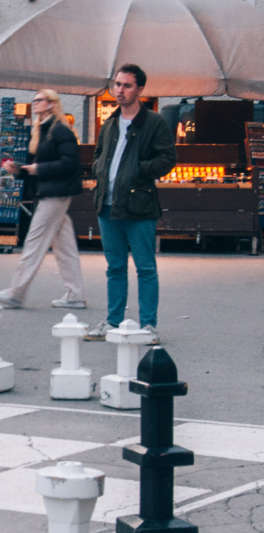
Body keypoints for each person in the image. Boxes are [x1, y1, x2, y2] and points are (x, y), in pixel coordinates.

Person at [84, 64, 176, 345]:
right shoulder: (110, 123)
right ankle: (113, 321)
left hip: (139, 205)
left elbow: (168, 159)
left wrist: (138, 169)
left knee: (145, 268)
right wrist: (99, 170)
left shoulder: (154, 122)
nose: (119, 90)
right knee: (115, 268)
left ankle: (148, 325)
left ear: (140, 90)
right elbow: (99, 154)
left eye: (126, 85)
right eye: (117, 84)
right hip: (108, 204)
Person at [0, 90, 86, 310]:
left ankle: (17, 292)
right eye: (34, 100)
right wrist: (21, 169)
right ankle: (75, 295)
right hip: (53, 192)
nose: (34, 103)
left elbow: (70, 163)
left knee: (34, 242)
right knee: (66, 247)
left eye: (39, 100)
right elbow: (44, 165)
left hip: (56, 194)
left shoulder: (60, 131)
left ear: (51, 105)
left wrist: (36, 168)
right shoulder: (44, 131)